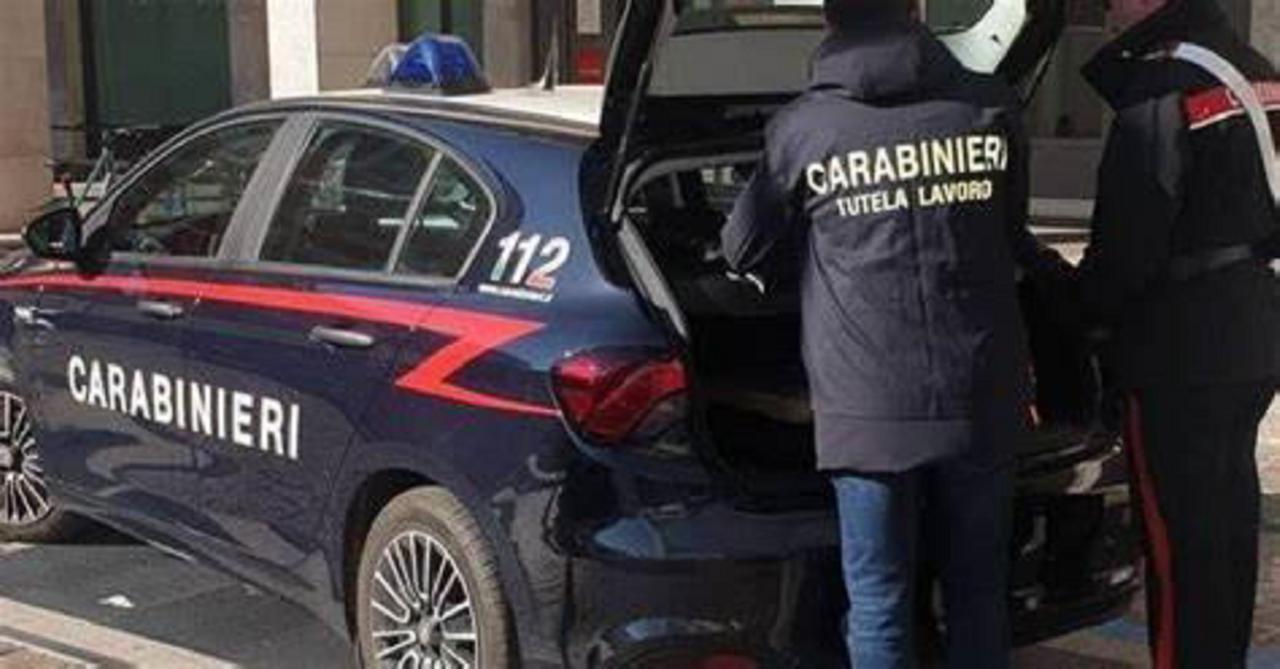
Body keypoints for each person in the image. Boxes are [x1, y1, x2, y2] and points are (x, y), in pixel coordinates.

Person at [719, 0, 1069, 665]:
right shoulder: (988, 109)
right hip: (980, 393)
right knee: (977, 594)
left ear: (829, 20)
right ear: (917, 11)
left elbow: (742, 248)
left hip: (867, 408)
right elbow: (1007, 232)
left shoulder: (803, 129)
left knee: (879, 602)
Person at [1076, 0, 1280, 665]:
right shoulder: (1250, 70)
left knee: (1176, 549)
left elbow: (1128, 243)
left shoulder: (1165, 83)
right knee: (1225, 536)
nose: (1106, 10)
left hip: (1178, 350)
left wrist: (1084, 320)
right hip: (1251, 330)